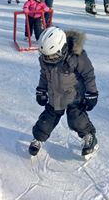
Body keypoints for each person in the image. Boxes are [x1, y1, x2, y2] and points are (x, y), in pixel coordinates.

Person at [29, 27, 99, 158]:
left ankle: (89, 137)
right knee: (47, 119)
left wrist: (92, 93)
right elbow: (44, 75)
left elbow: (89, 75)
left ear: (62, 48)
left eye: (53, 55)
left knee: (76, 119)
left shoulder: (77, 56)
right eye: (46, 57)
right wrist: (41, 90)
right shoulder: (45, 59)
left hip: (75, 95)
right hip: (55, 95)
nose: (50, 59)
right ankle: (38, 138)